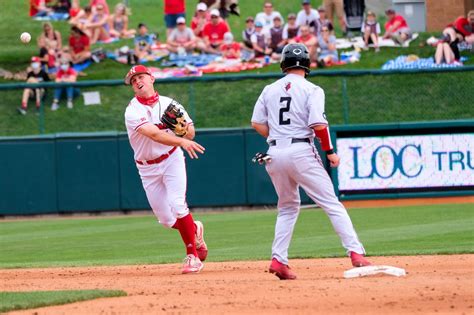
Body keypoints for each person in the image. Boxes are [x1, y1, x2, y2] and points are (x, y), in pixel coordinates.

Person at [251, 43, 370, 280]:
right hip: (301, 149)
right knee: (331, 203)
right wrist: (330, 152)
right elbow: (319, 125)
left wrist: (277, 138)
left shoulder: (269, 89)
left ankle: (278, 259)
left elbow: (257, 123)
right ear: (307, 64)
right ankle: (356, 252)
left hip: (274, 153)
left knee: (286, 208)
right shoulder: (312, 89)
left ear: (283, 63)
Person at [123, 65, 208, 274]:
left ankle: (192, 256)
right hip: (146, 168)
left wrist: (184, 131)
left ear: (152, 78)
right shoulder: (132, 110)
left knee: (178, 204)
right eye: (133, 80)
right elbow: (153, 134)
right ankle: (194, 229)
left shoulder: (170, 104)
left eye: (140, 76)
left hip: (171, 159)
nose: (137, 81)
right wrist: (181, 142)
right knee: (166, 219)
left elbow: (191, 134)